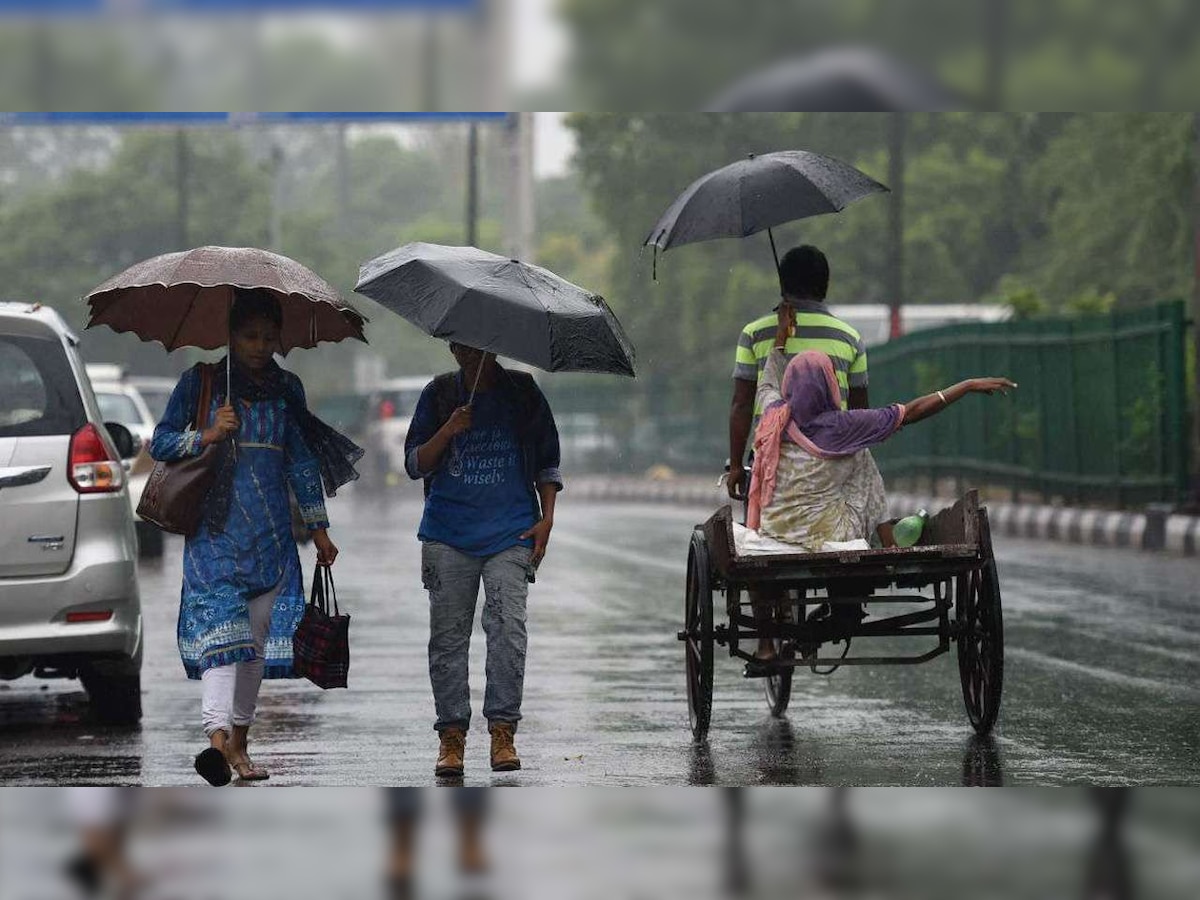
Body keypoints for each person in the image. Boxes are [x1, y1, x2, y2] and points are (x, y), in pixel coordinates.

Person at [149, 288, 362, 785]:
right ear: (230, 335)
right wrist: (204, 434)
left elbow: (302, 462)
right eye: (250, 336)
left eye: (269, 337)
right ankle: (217, 742)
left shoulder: (288, 389)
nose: (260, 345)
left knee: (255, 647)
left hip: (271, 538)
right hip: (215, 537)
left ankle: (239, 744)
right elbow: (159, 441)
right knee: (225, 641)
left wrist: (320, 528)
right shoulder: (200, 382)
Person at [745, 304, 1015, 660]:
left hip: (776, 529)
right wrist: (964, 387)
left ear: (790, 388)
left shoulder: (773, 413)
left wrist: (781, 337)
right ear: (829, 386)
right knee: (862, 456)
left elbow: (767, 378)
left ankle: (798, 629)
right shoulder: (846, 426)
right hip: (832, 534)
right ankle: (887, 539)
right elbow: (913, 411)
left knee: (857, 456)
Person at [404, 342, 562, 778]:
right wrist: (448, 430)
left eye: (480, 348)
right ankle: (451, 739)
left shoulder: (524, 392)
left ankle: (502, 732)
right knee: (448, 640)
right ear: (452, 347)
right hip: (447, 535)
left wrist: (547, 520)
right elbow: (415, 463)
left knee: (508, 630)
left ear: (495, 345)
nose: (470, 355)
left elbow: (548, 462)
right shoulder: (438, 394)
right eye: (462, 347)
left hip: (511, 533)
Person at [727, 245, 869, 504]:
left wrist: (736, 466)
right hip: (833, 460)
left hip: (770, 462)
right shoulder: (850, 338)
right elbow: (860, 413)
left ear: (783, 284)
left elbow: (742, 404)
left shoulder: (754, 334)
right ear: (825, 286)